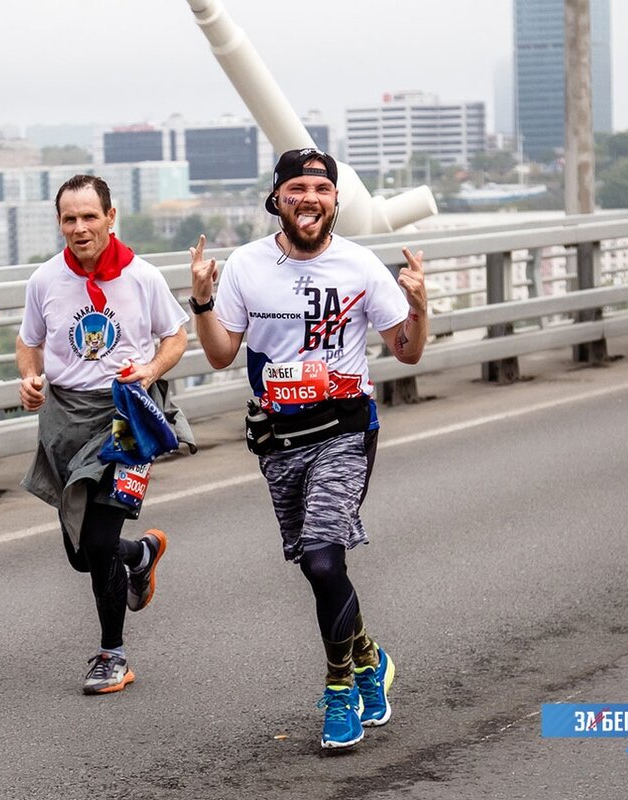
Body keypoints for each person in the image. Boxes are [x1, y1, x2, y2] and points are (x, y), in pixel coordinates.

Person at [188, 148, 428, 748]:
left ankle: (340, 692)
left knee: (324, 559)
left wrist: (419, 307)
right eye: (297, 189)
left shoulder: (360, 265)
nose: (310, 199)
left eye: (321, 189)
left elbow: (407, 351)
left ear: (335, 200)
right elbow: (220, 354)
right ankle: (370, 659)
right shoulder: (246, 265)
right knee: (315, 567)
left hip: (346, 431)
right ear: (278, 199)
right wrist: (202, 302)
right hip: (279, 439)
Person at [17, 174, 193, 695]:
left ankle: (112, 655)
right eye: (69, 219)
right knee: (82, 553)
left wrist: (151, 370)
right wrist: (29, 378)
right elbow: (29, 342)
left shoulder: (142, 277)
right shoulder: (44, 280)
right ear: (59, 223)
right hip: (65, 422)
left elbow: (176, 336)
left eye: (90, 217)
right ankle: (138, 555)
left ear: (110, 218)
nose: (80, 228)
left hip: (124, 417)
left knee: (96, 541)